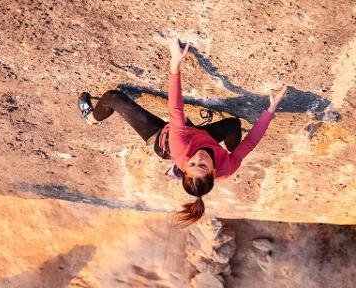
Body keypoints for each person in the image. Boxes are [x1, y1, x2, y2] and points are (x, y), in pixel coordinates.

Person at [77, 37, 288, 227]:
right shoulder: (228, 167)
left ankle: (91, 118)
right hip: (197, 137)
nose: (198, 158)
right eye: (202, 165)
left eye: (193, 165)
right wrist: (270, 109)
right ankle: (180, 168)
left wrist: (175, 64)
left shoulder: (182, 149)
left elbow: (176, 110)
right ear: (214, 172)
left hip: (163, 140)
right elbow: (249, 144)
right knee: (233, 125)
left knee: (113, 97)